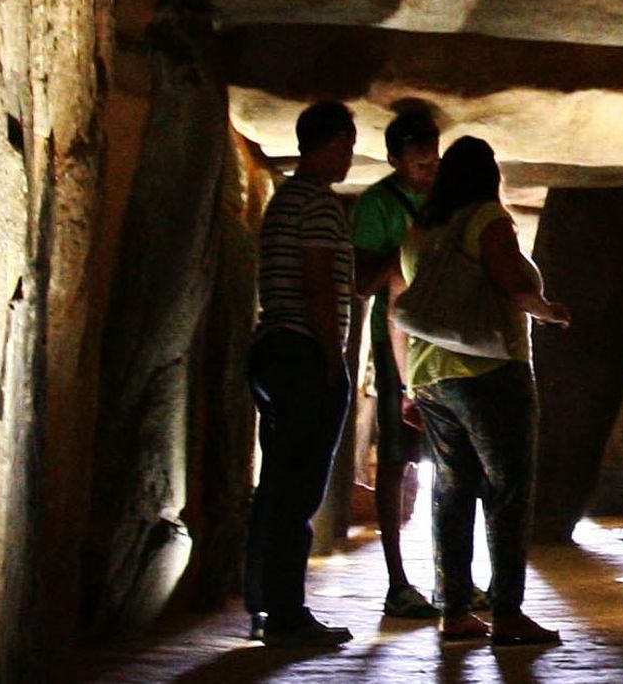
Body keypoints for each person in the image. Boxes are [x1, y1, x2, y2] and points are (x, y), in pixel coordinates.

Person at [399, 136, 569, 646]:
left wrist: (410, 385)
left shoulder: (420, 230)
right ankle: (508, 613)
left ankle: (453, 611)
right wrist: (550, 311)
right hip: (491, 371)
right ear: (488, 174)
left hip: (432, 376)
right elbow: (510, 285)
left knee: (451, 491)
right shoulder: (487, 220)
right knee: (508, 489)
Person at [243, 101, 358, 648]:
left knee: (277, 483)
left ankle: (264, 603)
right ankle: (287, 614)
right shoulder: (317, 202)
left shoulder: (284, 199)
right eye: (348, 143)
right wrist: (333, 355)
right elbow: (317, 281)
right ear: (331, 142)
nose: (351, 154)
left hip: (273, 351)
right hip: (302, 354)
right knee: (300, 488)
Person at [349, 108, 443, 619]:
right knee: (396, 460)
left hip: (447, 343)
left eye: (434, 162)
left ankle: (455, 578)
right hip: (399, 345)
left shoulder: (448, 195)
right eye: (419, 166)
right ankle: (398, 581)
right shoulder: (377, 205)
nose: (430, 173)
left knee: (456, 462)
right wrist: (407, 249)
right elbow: (362, 284)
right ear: (394, 162)